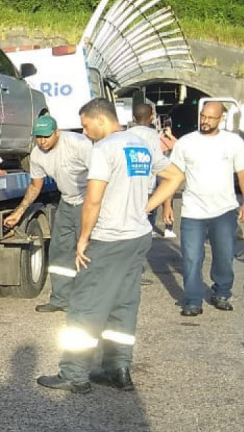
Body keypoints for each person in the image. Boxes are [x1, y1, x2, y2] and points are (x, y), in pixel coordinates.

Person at [37, 98, 181, 393]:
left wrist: (82, 239)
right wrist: (146, 207)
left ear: (100, 119)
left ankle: (74, 374)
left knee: (84, 305)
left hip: (108, 237)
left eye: (87, 126)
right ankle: (118, 369)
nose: (86, 132)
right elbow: (175, 176)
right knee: (123, 304)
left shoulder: (104, 149)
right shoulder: (140, 145)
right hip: (137, 237)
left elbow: (93, 199)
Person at [164, 100, 244, 316]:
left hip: (224, 211)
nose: (205, 121)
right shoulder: (185, 143)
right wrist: (167, 205)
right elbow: (173, 176)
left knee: (224, 255)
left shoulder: (233, 142)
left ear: (221, 119)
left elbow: (243, 173)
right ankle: (193, 299)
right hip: (193, 211)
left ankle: (221, 292)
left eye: (210, 118)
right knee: (191, 257)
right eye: (203, 116)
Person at [4, 114, 92, 314]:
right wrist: (19, 212)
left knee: (87, 252)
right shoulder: (37, 154)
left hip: (88, 203)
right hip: (67, 203)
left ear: (57, 132)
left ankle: (88, 302)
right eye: (38, 137)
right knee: (59, 251)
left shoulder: (79, 144)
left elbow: (102, 175)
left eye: (46, 136)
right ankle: (60, 299)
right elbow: (36, 186)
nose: (42, 141)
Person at [127, 100, 176, 237]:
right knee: (147, 217)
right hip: (147, 184)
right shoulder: (153, 135)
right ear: (152, 117)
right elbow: (156, 160)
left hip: (130, 183)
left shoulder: (127, 134)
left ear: (133, 117)